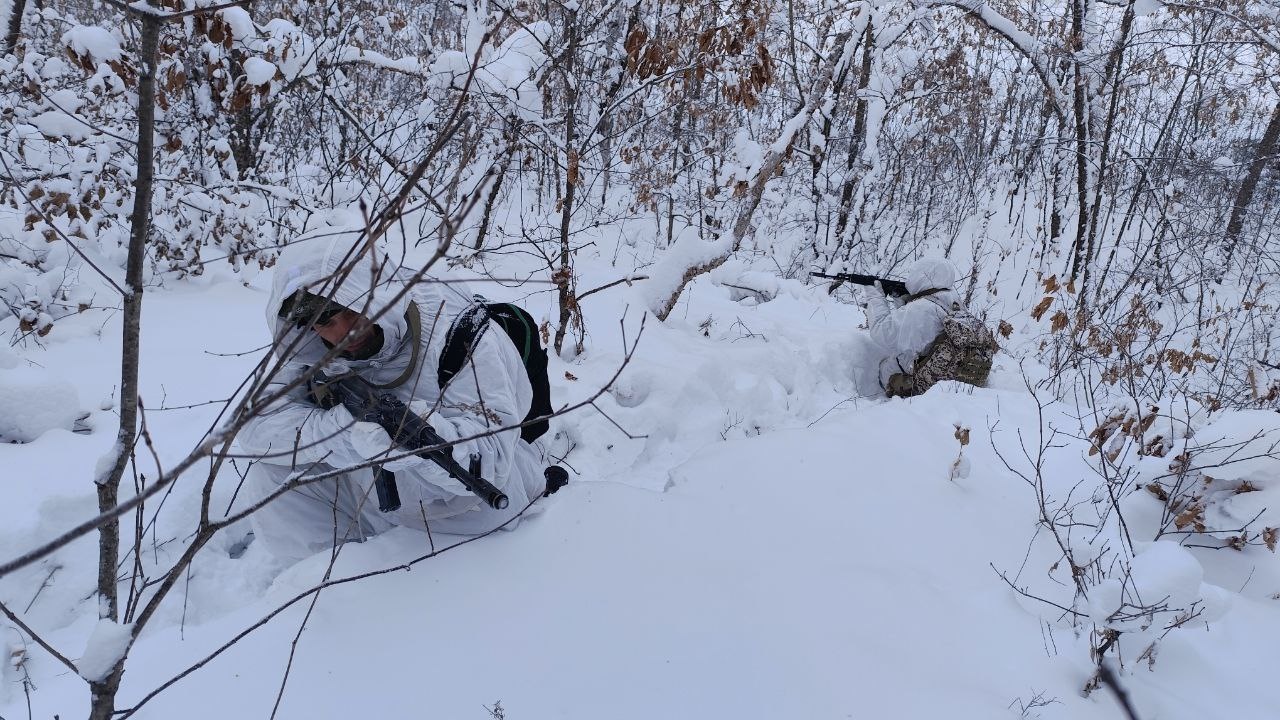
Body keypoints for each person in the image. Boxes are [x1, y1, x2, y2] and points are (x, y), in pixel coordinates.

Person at [235, 238, 551, 562]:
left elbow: (493, 457)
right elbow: (253, 424)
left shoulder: (459, 330)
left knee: (487, 506)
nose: (346, 332)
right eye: (326, 322)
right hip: (373, 488)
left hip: (464, 499)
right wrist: (343, 431)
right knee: (271, 468)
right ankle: (321, 584)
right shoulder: (307, 347)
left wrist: (421, 436)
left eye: (351, 309)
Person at [863, 258, 996, 398]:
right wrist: (902, 299)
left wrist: (874, 295)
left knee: (888, 365)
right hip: (954, 376)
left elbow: (882, 331)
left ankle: (879, 399)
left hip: (926, 384)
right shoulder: (953, 301)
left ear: (922, 275)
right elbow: (922, 332)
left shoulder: (923, 307)